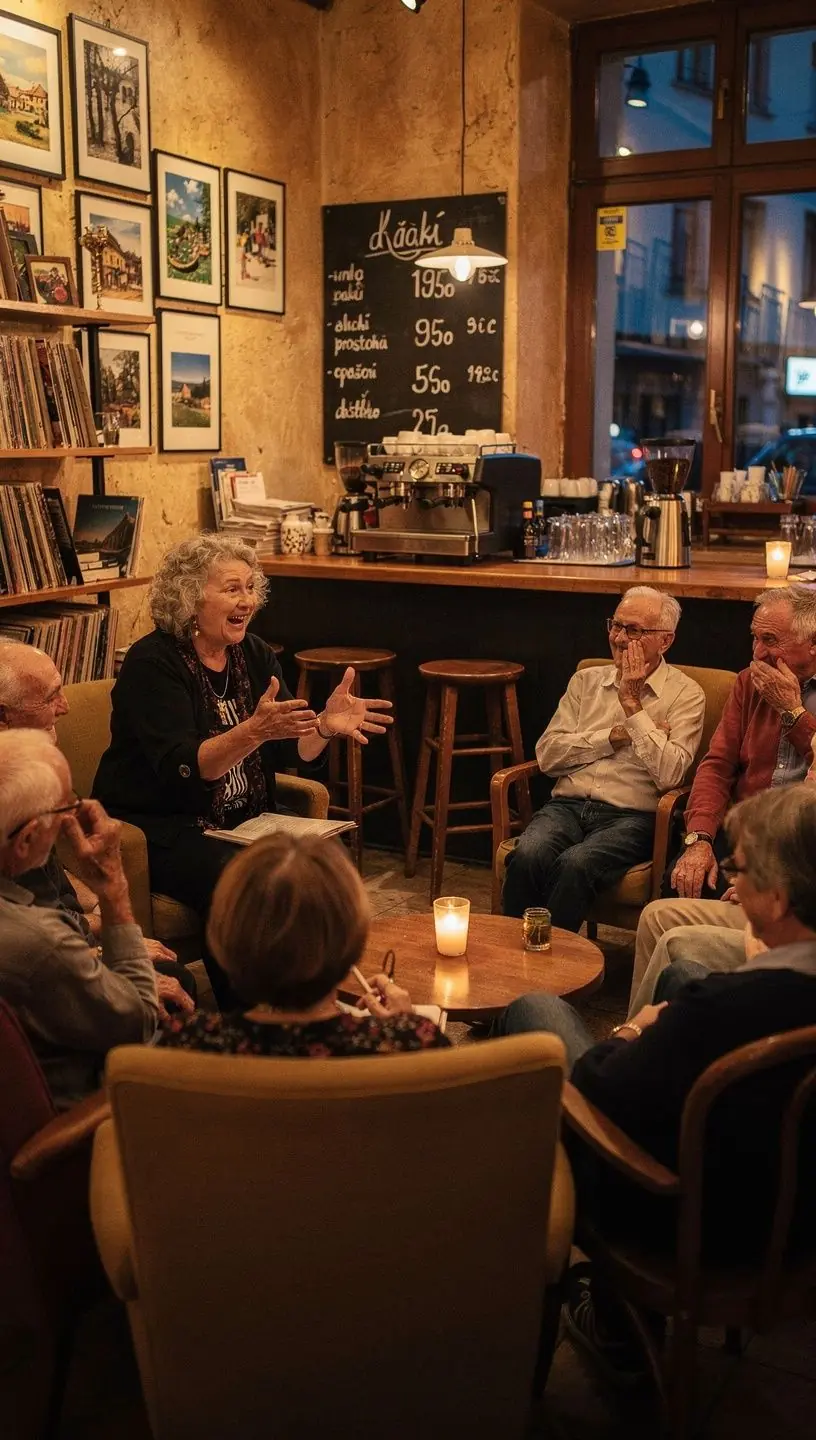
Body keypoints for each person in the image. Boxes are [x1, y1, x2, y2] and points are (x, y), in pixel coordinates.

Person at [498, 783, 816, 1376]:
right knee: (684, 970)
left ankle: (620, 1319)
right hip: (792, 1223)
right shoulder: (741, 999)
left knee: (536, 1012)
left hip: (687, 1228)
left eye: (738, 870)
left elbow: (596, 1090)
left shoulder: (720, 1010)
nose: (730, 884)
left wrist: (636, 1031)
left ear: (777, 896)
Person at [92, 534, 392, 1005]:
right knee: (238, 875)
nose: (247, 600)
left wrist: (326, 728)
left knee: (323, 867)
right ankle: (250, 1013)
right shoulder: (153, 664)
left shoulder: (253, 653)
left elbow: (297, 751)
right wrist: (251, 732)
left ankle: (317, 996)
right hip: (168, 827)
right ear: (191, 597)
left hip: (244, 819)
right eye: (232, 588)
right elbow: (183, 768)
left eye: (251, 588)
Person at [631, 583, 816, 1006]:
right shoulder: (750, 682)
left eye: (770, 641)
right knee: (682, 881)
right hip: (744, 841)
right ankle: (664, 1025)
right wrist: (700, 840)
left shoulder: (782, 693)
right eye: (754, 637)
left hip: (797, 856)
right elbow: (716, 766)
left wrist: (793, 713)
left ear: (813, 643)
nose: (757, 652)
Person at [0, 641, 194, 1020]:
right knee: (170, 990)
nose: (65, 707)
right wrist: (110, 913)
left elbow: (45, 885)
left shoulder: (24, 775)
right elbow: (131, 1012)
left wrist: (92, 909)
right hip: (58, 973)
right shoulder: (16, 795)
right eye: (50, 696)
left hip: (61, 942)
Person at [501, 586, 705, 931]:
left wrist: (632, 706)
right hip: (566, 806)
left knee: (575, 865)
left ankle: (554, 967)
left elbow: (670, 775)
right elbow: (548, 756)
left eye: (635, 630)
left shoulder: (686, 694)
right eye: (616, 625)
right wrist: (614, 737)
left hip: (631, 817)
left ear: (665, 641)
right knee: (527, 855)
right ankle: (508, 959)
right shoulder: (586, 681)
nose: (620, 638)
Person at [158, 832, 449, 1058]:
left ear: (223, 939)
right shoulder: (412, 1042)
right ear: (353, 941)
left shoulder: (184, 1045)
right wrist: (405, 1027)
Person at [0, 730, 158, 1109]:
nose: (75, 813)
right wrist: (114, 887)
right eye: (64, 807)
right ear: (25, 840)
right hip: (79, 1113)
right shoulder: (40, 942)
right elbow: (141, 1021)